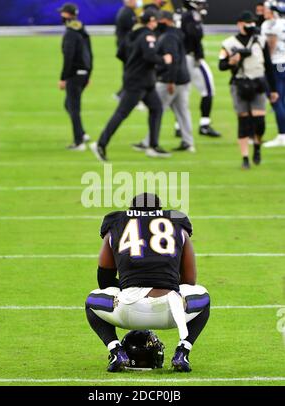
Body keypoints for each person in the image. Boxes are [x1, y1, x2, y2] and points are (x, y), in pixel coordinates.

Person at [85, 193, 210, 373]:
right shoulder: (179, 223)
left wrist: (133, 285)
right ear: (160, 210)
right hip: (171, 312)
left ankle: (115, 350)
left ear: (130, 211)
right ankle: (183, 352)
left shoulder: (116, 223)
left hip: (128, 310)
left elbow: (104, 280)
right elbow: (189, 281)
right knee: (203, 296)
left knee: (91, 301)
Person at [90, 9, 172, 161]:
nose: (157, 23)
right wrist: (164, 59)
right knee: (122, 113)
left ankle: (153, 146)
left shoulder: (132, 34)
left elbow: (120, 53)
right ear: (151, 21)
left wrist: (133, 63)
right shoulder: (148, 35)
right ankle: (100, 143)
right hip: (138, 82)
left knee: (156, 109)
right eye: (155, 20)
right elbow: (149, 56)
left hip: (142, 80)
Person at [219, 11, 278, 169]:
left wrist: (273, 89)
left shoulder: (260, 40)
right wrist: (232, 61)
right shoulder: (229, 43)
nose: (251, 25)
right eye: (247, 22)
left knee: (259, 122)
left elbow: (269, 65)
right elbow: (221, 66)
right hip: (240, 84)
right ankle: (245, 157)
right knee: (243, 122)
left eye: (252, 23)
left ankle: (257, 146)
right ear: (239, 24)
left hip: (258, 82)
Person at [133, 11, 195, 152]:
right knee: (182, 112)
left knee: (156, 110)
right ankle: (188, 142)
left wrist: (171, 80)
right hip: (183, 79)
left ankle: (148, 142)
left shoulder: (168, 37)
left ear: (165, 21)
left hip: (170, 80)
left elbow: (172, 59)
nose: (156, 23)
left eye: (159, 20)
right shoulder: (176, 33)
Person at [180, 0, 221, 138]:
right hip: (191, 57)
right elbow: (194, 34)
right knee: (208, 90)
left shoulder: (182, 14)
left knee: (183, 91)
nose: (202, 6)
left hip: (182, 57)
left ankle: (179, 126)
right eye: (199, 3)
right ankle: (204, 125)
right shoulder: (190, 16)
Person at [58, 3, 93, 151]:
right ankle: (82, 133)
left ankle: (79, 142)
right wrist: (89, 73)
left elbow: (69, 57)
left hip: (74, 75)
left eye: (63, 14)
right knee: (69, 105)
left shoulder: (70, 33)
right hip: (84, 73)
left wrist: (63, 77)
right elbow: (90, 54)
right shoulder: (82, 30)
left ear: (68, 15)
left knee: (73, 108)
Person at [262, 0, 285, 148]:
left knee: (275, 99)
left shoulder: (271, 24)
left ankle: (282, 135)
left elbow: (271, 45)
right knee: (282, 100)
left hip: (276, 64)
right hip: (284, 63)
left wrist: (264, 64)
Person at [115, 0, 137, 99]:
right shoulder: (128, 13)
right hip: (127, 47)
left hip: (124, 46)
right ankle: (124, 94)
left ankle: (122, 93)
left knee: (129, 70)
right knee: (130, 70)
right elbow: (133, 30)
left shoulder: (125, 11)